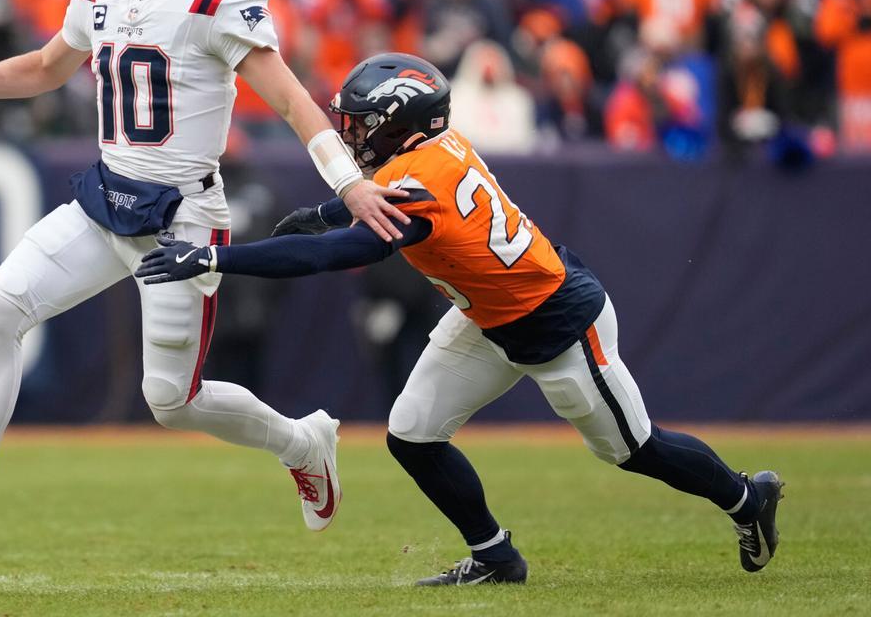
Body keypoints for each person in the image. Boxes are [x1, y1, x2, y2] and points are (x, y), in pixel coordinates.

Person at [0, 0, 406, 548]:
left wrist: (349, 182)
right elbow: (46, 67)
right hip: (106, 200)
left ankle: (301, 443)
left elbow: (288, 99)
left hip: (182, 220)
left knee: (173, 401)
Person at [136, 52, 785, 586]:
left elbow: (342, 251)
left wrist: (219, 256)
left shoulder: (420, 176)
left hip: (556, 324)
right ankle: (496, 556)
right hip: (485, 315)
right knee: (413, 434)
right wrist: (325, 211)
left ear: (400, 125)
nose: (351, 135)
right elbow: (379, 201)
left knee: (631, 448)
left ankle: (746, 497)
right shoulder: (433, 150)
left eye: (362, 123)